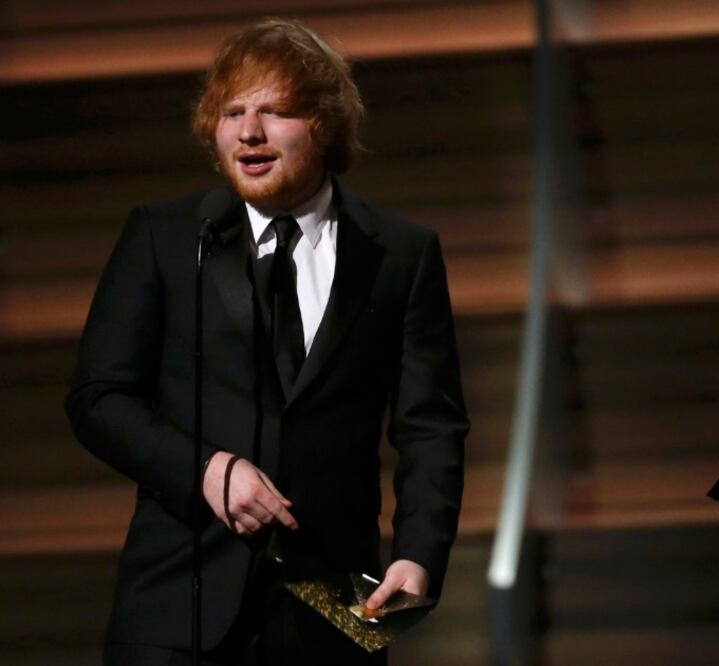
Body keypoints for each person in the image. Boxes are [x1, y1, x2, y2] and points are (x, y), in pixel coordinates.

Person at [65, 18, 468, 665]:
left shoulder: (400, 254)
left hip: (340, 608)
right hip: (177, 603)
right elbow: (97, 398)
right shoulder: (161, 236)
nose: (248, 132)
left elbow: (431, 426)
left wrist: (419, 556)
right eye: (232, 112)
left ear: (326, 124)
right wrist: (204, 468)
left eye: (274, 111)